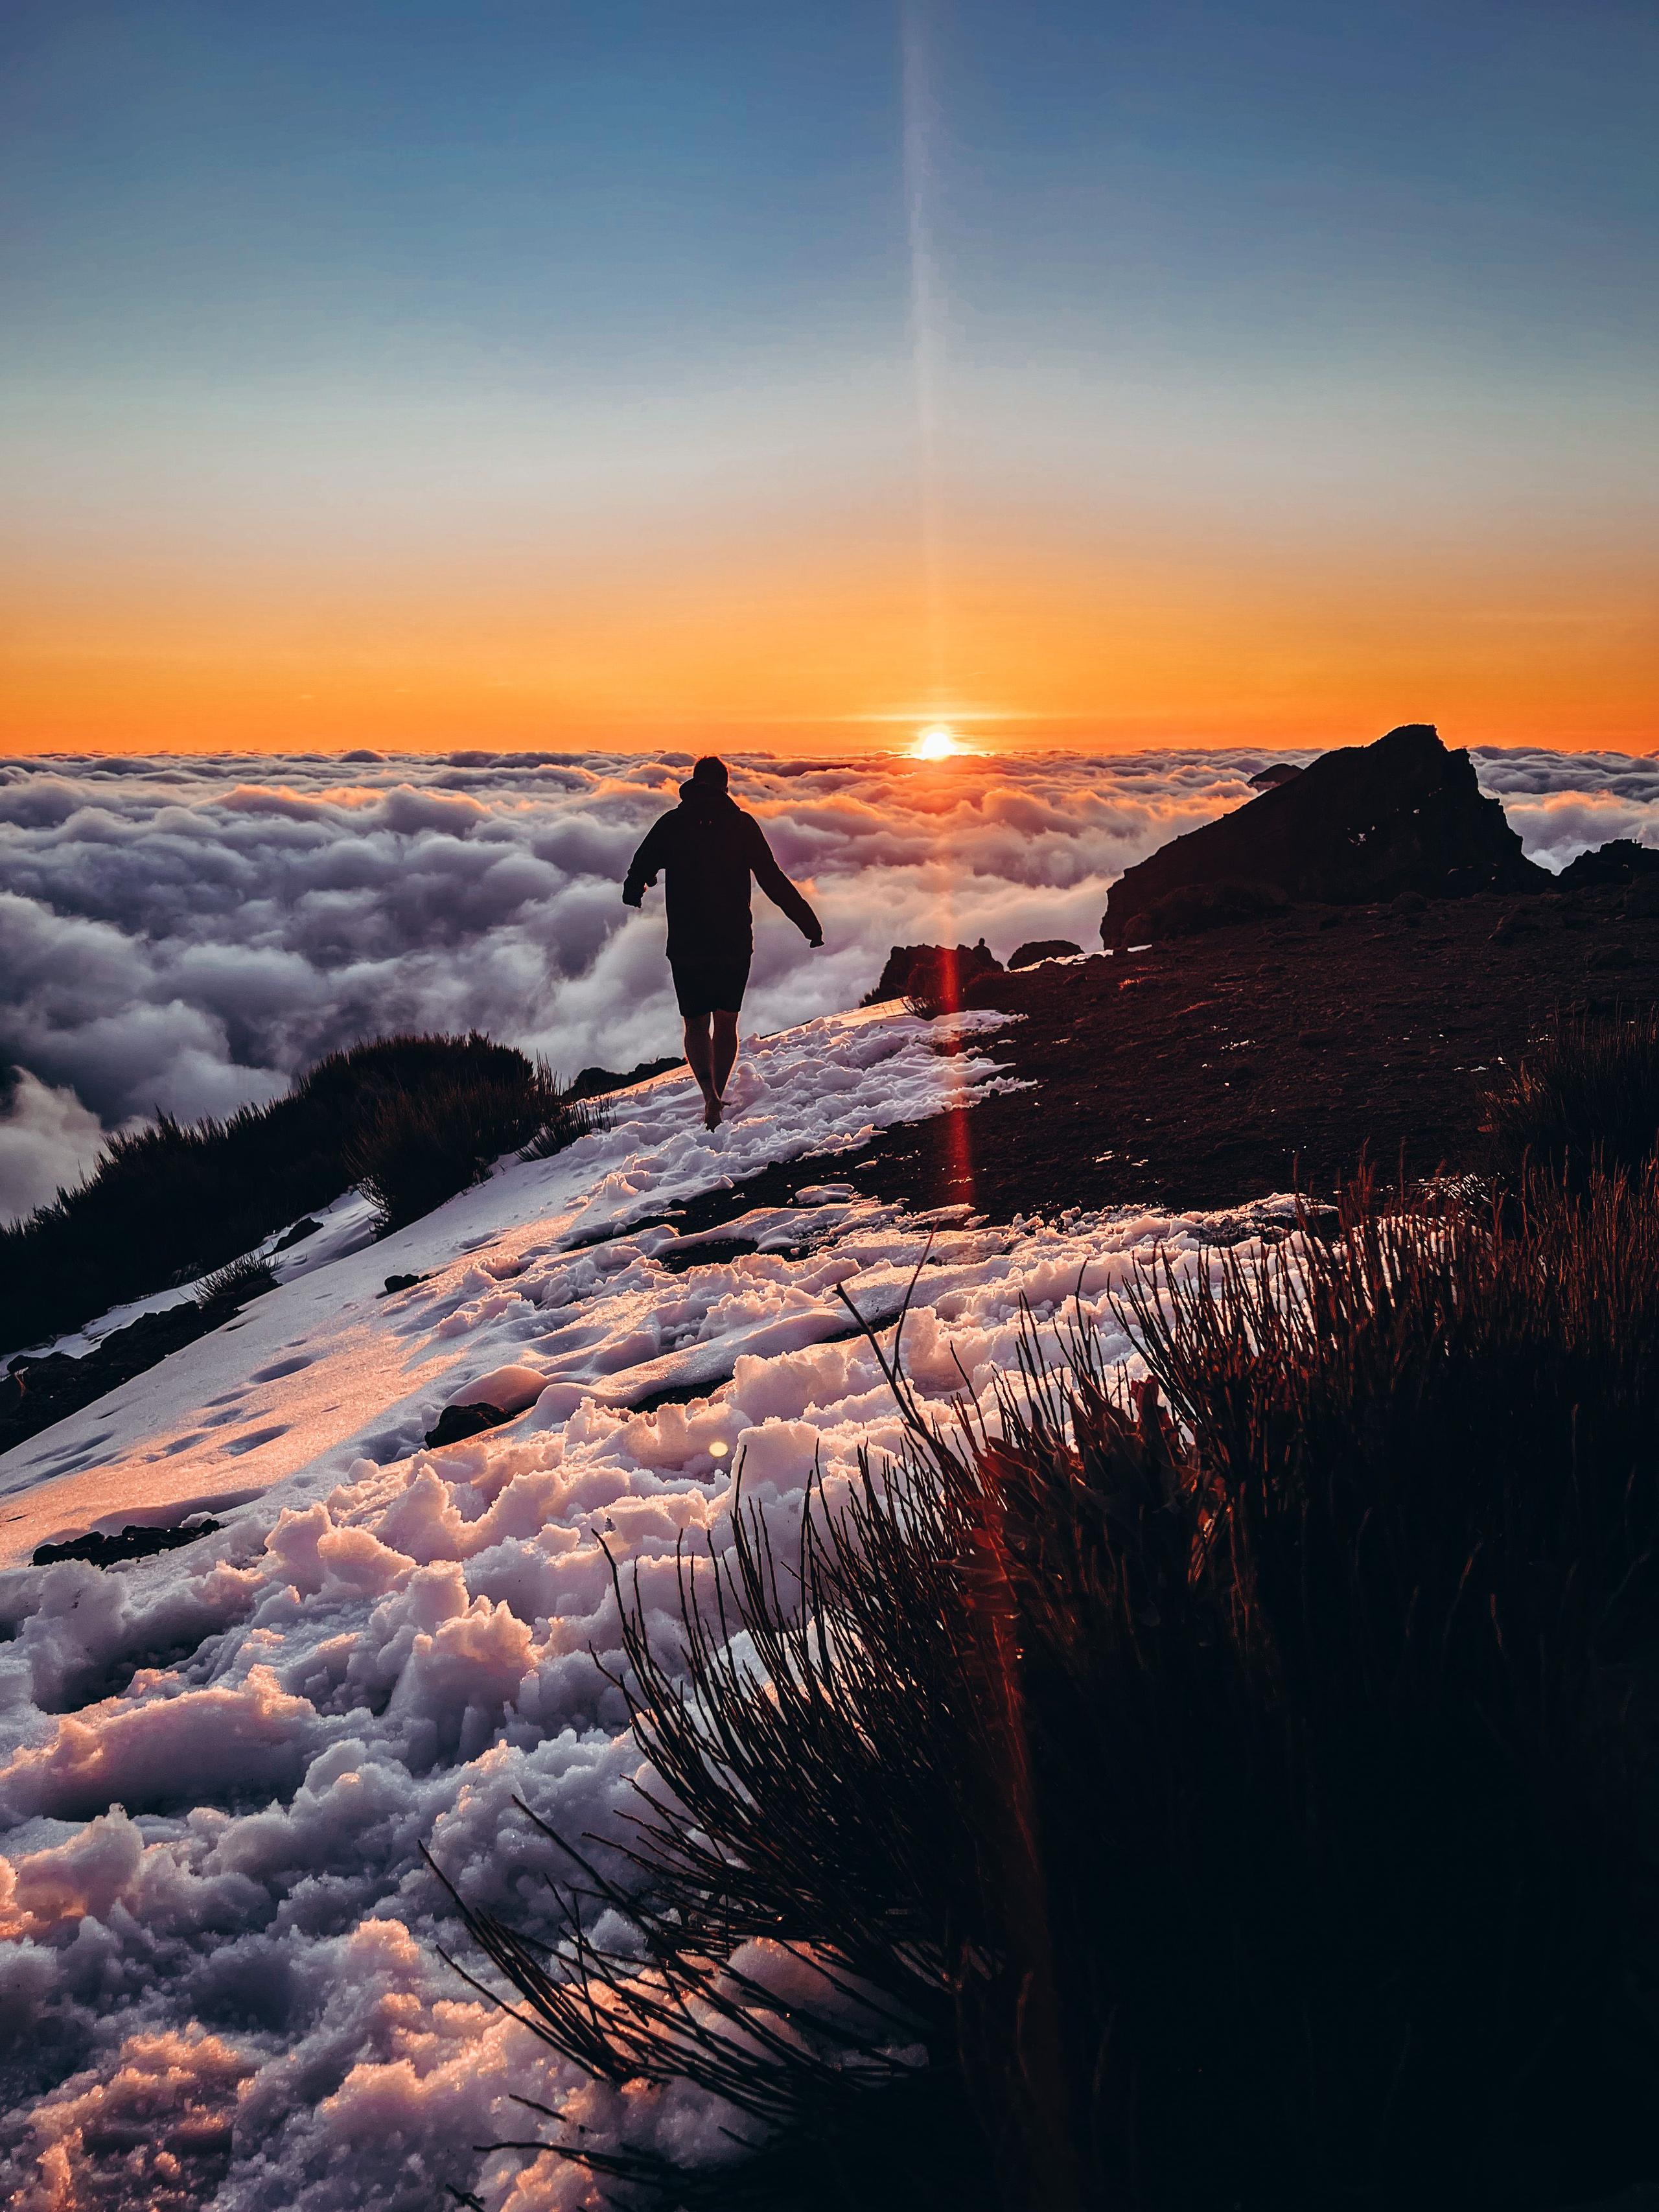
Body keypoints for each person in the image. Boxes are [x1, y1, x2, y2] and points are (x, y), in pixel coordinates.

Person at [623, 756, 823, 1128]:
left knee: (695, 1025)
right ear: (725, 787)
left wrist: (635, 889)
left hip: (687, 943)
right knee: (726, 1022)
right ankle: (719, 1091)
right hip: (733, 941)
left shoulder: (673, 824)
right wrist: (808, 923)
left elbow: (642, 863)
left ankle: (709, 1098)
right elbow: (772, 879)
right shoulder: (741, 825)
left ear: (695, 784)